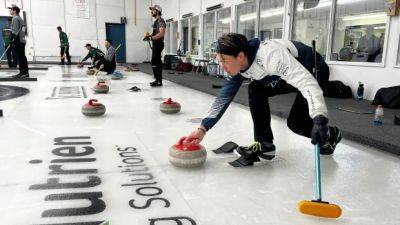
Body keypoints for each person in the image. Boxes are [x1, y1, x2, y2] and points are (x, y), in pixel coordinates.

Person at [184, 33, 341, 167]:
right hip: (281, 76)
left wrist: (319, 118)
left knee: (297, 123)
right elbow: (223, 97)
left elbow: (306, 82)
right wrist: (202, 129)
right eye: (219, 60)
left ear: (240, 56)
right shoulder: (240, 65)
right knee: (256, 89)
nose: (222, 65)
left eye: (224, 60)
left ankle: (331, 134)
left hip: (312, 69)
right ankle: (265, 144)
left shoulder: (271, 56)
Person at [145, 5, 166, 87]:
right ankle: (157, 79)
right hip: (155, 43)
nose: (151, 11)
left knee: (156, 62)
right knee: (155, 62)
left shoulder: (161, 21)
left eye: (153, 10)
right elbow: (156, 33)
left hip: (158, 44)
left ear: (157, 11)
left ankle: (158, 80)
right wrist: (149, 36)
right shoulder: (156, 22)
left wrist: (152, 37)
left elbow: (161, 33)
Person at [9, 5, 29, 78]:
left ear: (14, 11)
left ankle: (22, 73)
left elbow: (15, 31)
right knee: (22, 57)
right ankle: (25, 73)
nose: (10, 11)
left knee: (20, 57)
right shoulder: (20, 19)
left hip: (18, 40)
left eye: (11, 9)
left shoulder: (15, 18)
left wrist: (11, 39)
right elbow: (23, 30)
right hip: (22, 40)